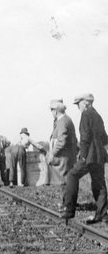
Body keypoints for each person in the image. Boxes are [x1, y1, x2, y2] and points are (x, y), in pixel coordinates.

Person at [60, 94, 108, 224]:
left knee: (72, 175)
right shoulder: (98, 116)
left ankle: (69, 210)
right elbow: (104, 137)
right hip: (100, 156)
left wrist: (82, 155)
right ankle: (103, 214)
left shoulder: (86, 115)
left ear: (86, 103)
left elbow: (85, 137)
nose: (78, 107)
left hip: (89, 156)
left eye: (79, 104)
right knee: (99, 184)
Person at [47, 100, 77, 192]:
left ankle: (68, 205)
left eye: (51, 110)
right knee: (66, 183)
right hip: (67, 157)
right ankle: (68, 204)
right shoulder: (66, 119)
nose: (51, 113)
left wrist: (52, 153)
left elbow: (61, 141)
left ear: (55, 111)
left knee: (64, 183)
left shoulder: (62, 121)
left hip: (63, 159)